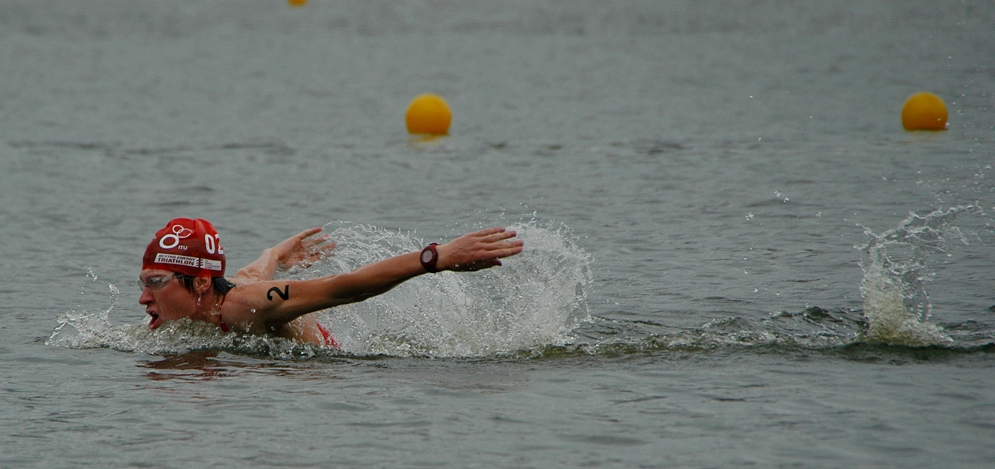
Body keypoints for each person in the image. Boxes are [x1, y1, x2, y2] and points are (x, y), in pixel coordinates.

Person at [138, 218, 524, 347]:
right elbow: (252, 273)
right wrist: (276, 253)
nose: (143, 298)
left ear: (202, 283)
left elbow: (347, 287)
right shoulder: (226, 294)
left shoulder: (246, 304)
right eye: (143, 282)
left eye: (155, 282)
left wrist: (435, 257)